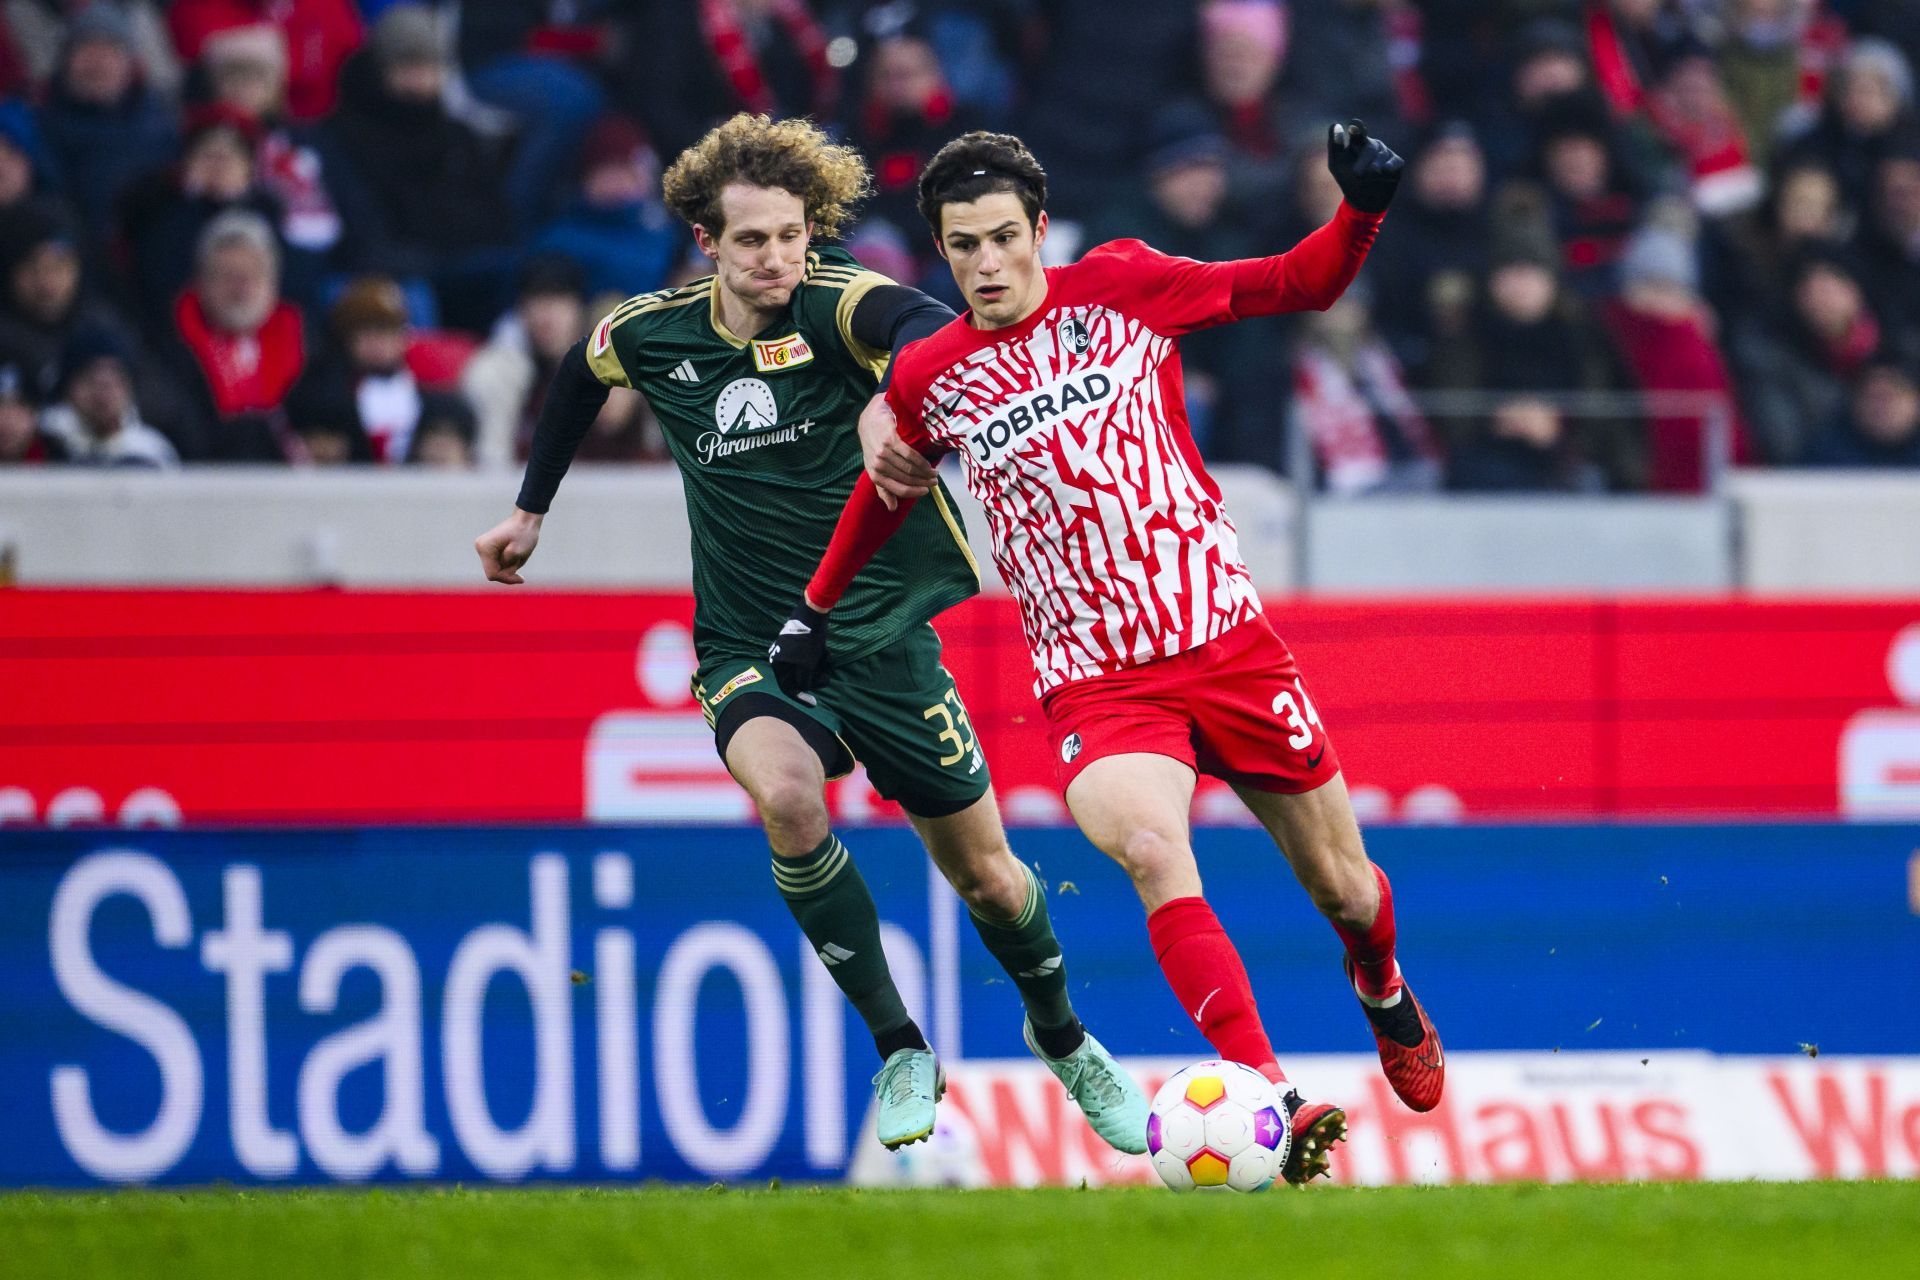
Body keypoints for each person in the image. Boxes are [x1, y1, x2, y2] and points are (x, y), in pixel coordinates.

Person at [771, 124, 1444, 1185]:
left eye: (1002, 238)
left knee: (1347, 889)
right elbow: (886, 487)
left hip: (1227, 641)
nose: (986, 265)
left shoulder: (1124, 283)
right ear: (941, 254)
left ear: (1041, 230)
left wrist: (1359, 210)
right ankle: (1268, 1089)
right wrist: (814, 609)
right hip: (1097, 680)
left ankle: (1381, 984)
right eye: (962, 248)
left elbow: (1295, 284)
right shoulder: (933, 372)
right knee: (1149, 846)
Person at [472, 113, 1148, 1156]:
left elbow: (922, 322)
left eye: (792, 234)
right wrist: (530, 510)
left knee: (991, 878)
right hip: (747, 640)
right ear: (707, 241)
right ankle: (899, 1046)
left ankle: (1062, 1036)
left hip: (873, 633)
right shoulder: (655, 332)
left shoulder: (836, 305)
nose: (778, 257)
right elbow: (576, 371)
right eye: (752, 240)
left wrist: (893, 399)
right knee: (787, 797)